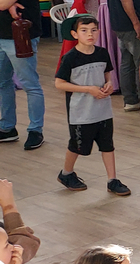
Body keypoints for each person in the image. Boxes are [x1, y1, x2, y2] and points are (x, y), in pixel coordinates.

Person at [54, 15, 130, 195]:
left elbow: (107, 74)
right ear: (75, 34)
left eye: (94, 30)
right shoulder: (70, 57)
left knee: (107, 144)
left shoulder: (102, 53)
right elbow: (59, 84)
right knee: (77, 145)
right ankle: (66, 173)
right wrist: (88, 89)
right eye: (84, 30)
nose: (90, 34)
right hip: (81, 112)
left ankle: (112, 180)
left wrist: (109, 84)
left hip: (103, 110)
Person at [0, 0, 44, 149]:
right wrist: (6, 3)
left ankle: (36, 130)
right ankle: (7, 127)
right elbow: (4, 2)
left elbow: (3, 3)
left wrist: (6, 3)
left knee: (29, 84)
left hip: (20, 36)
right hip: (1, 34)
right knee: (2, 83)